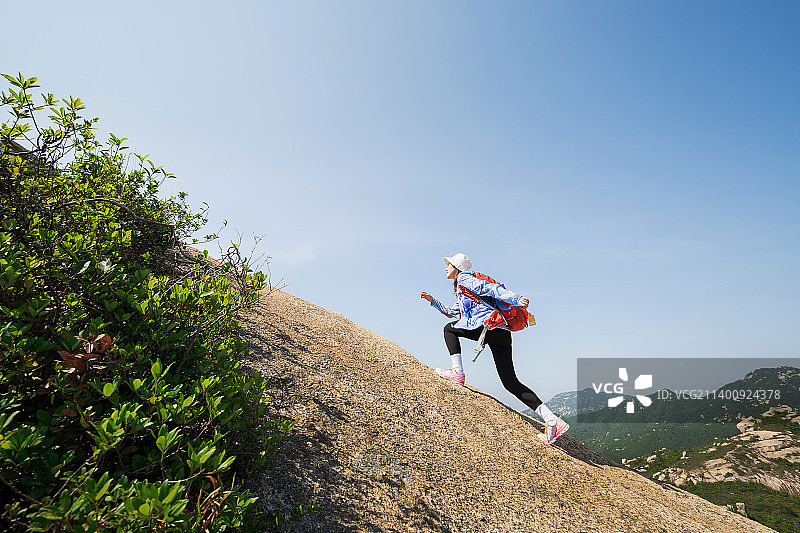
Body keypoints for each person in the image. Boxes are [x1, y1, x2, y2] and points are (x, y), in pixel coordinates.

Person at [420, 253, 569, 444]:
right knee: (510, 382)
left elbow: (488, 288)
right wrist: (433, 301)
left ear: (457, 267)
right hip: (501, 332)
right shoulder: (461, 290)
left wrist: (515, 298)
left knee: (449, 330)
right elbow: (452, 312)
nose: (446, 268)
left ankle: (458, 372)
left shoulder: (464, 278)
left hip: (488, 326)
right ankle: (553, 420)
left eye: (449, 264)